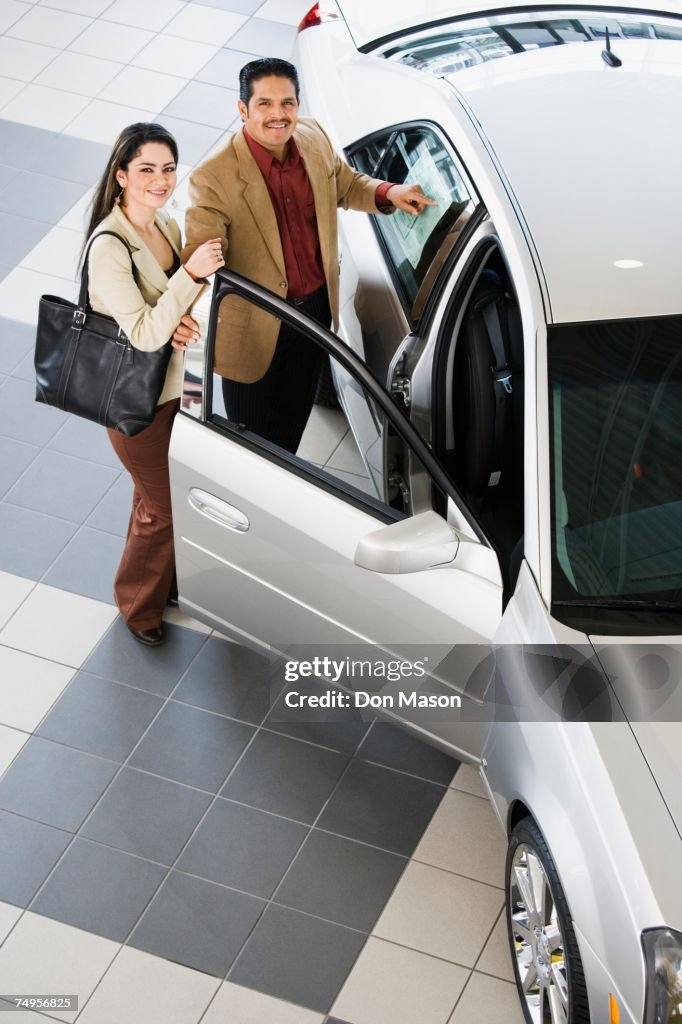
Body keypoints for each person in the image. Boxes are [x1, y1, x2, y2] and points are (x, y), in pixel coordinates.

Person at [181, 57, 435, 454]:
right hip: (254, 325)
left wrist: (389, 193)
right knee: (251, 441)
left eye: (288, 103)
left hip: (313, 312)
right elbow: (199, 256)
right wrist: (184, 294)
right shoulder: (212, 178)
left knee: (293, 419)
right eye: (264, 104)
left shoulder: (313, 137)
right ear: (242, 109)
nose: (278, 115)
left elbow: (345, 184)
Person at [84, 122, 223, 647]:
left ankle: (154, 586)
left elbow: (163, 312)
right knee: (164, 509)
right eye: (146, 169)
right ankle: (138, 608)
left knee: (151, 500)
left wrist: (181, 316)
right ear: (121, 176)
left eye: (168, 168)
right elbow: (144, 333)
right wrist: (190, 275)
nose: (160, 180)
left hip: (169, 391)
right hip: (133, 403)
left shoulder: (162, 225)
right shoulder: (108, 246)